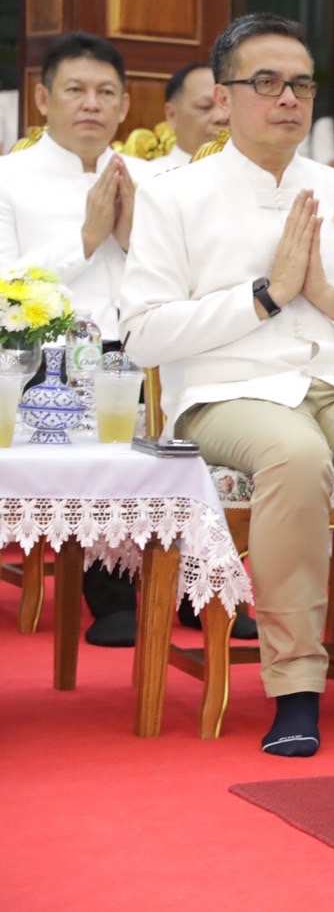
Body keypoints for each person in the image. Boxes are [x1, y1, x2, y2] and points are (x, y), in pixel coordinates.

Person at [121, 12, 334, 757]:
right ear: (224, 98)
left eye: (301, 84)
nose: (287, 98)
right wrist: (266, 295)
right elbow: (143, 333)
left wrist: (329, 296)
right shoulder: (174, 194)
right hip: (226, 390)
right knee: (295, 454)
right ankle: (296, 686)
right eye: (266, 83)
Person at [0, 32, 155, 648]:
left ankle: (195, 593)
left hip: (147, 350)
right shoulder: (10, 178)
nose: (91, 104)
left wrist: (137, 232)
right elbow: (7, 283)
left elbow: (186, 276)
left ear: (124, 106)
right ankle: (108, 592)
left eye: (105, 93)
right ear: (42, 99)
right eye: (75, 90)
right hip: (49, 360)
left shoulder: (154, 180)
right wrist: (87, 239)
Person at [149, 62, 228, 170]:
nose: (222, 117)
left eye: (227, 106)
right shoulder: (145, 179)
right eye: (204, 107)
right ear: (172, 115)